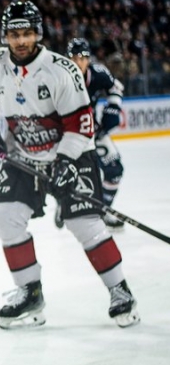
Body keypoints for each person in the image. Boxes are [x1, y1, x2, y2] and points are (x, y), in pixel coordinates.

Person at [0, 1, 139, 330]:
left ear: (39, 34)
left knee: (85, 224)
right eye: (14, 34)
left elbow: (81, 125)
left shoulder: (61, 70)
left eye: (27, 33)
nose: (20, 41)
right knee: (5, 217)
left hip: (72, 154)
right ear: (5, 35)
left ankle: (120, 290)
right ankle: (30, 294)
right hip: (22, 156)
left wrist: (64, 163)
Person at [55, 38, 126, 230]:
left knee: (114, 170)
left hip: (93, 133)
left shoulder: (98, 73)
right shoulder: (58, 78)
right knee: (64, 174)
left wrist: (113, 107)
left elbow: (115, 87)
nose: (79, 62)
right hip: (67, 136)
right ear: (67, 59)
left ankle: (103, 210)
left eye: (83, 57)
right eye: (74, 58)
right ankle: (62, 202)